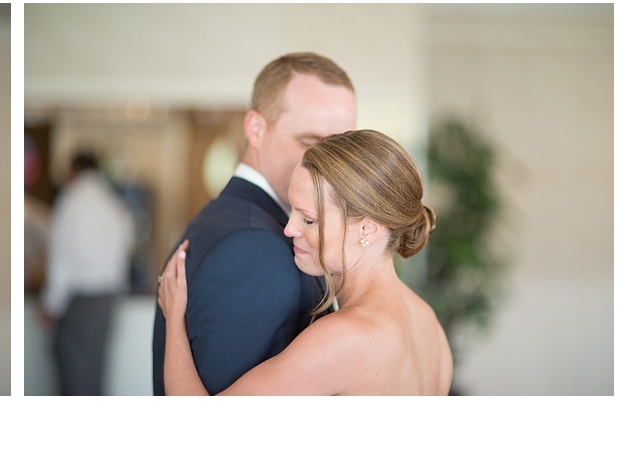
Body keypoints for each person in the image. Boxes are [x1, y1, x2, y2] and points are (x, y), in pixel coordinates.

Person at [159, 130, 452, 395]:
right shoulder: (429, 326)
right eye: (292, 211)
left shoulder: (345, 337)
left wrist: (174, 321)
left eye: (309, 219)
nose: (289, 229)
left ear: (368, 228)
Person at [152, 52, 358, 395]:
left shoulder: (243, 222)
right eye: (312, 143)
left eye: (344, 147)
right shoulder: (252, 246)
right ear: (256, 128)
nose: (332, 164)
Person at [40, 151, 134, 395]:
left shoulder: (71, 201)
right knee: (93, 377)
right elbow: (124, 252)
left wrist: (51, 303)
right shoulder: (112, 202)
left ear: (73, 170)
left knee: (73, 379)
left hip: (79, 303)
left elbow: (61, 257)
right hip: (107, 301)